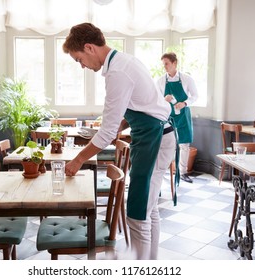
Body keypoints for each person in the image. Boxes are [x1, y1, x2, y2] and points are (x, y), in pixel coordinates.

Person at [62, 23, 176, 260]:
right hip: (158, 136)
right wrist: (123, 125)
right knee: (149, 208)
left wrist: (77, 161)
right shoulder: (124, 61)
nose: (82, 65)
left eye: (79, 59)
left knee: (136, 213)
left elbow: (105, 133)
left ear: (89, 47)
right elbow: (142, 104)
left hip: (154, 140)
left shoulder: (117, 72)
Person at [156, 52, 198, 183]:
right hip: (168, 116)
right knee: (168, 143)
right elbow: (156, 99)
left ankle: (183, 172)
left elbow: (195, 96)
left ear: (175, 63)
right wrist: (164, 99)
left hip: (183, 114)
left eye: (167, 64)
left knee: (184, 144)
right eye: (163, 65)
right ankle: (166, 170)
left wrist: (184, 103)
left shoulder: (187, 79)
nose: (165, 67)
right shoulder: (161, 81)